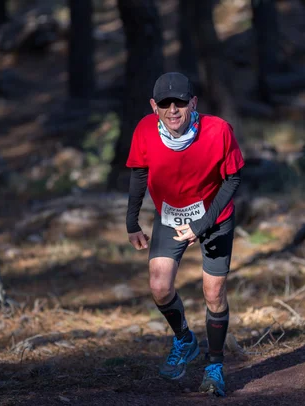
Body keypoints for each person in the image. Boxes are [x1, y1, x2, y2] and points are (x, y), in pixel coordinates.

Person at [125, 72, 244, 397]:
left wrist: (203, 224)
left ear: (193, 103)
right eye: (165, 104)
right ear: (154, 106)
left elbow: (233, 179)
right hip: (171, 216)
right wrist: (132, 221)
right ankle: (185, 340)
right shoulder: (145, 130)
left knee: (213, 292)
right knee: (160, 286)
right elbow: (139, 173)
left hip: (215, 217)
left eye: (180, 102)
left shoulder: (218, 130)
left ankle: (215, 366)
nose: (173, 109)